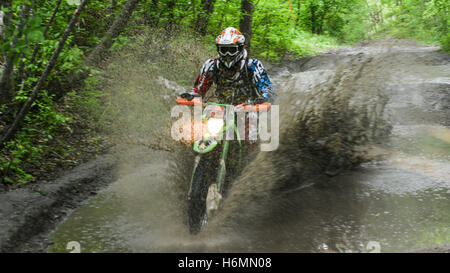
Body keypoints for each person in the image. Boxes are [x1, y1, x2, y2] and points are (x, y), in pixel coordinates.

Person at [180, 27, 274, 105]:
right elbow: (198, 90)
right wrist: (190, 96)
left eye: (232, 50)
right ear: (218, 49)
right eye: (224, 49)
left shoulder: (252, 65)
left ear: (240, 48)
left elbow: (267, 88)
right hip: (222, 110)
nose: (227, 54)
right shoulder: (211, 66)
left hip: (249, 109)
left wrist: (264, 98)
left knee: (250, 124)